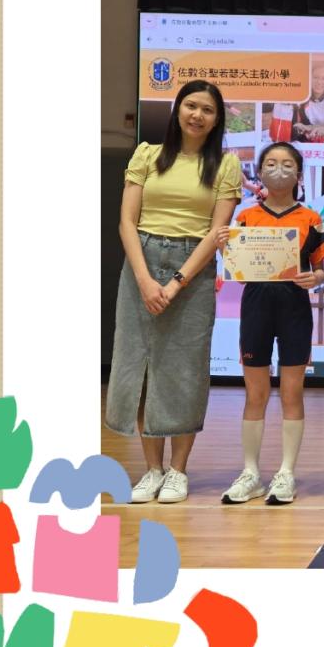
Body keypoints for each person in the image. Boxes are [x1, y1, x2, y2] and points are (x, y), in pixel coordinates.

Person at [107, 80, 242, 504]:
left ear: (217, 120)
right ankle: (152, 470)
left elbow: (216, 233)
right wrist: (145, 279)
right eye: (191, 106)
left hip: (193, 269)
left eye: (207, 110)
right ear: (178, 109)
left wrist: (176, 281)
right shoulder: (147, 154)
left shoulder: (226, 165)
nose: (197, 115)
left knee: (184, 370)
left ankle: (178, 471)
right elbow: (127, 222)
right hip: (141, 262)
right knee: (142, 366)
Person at [214, 142, 324, 506]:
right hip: (256, 306)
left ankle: (286, 473)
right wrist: (223, 246)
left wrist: (316, 277)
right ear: (260, 171)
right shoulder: (246, 217)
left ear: (299, 173)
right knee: (256, 393)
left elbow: (321, 269)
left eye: (286, 164)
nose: (278, 169)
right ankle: (250, 473)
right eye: (271, 163)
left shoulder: (311, 218)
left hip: (295, 308)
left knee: (292, 392)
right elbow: (235, 263)